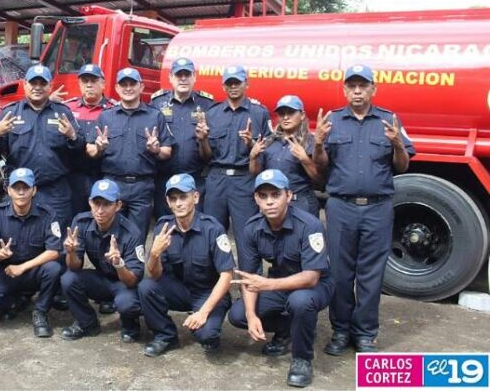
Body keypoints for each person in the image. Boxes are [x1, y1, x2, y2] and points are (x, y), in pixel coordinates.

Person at [313, 64, 415, 355]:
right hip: (341, 208)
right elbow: (320, 167)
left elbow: (402, 165)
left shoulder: (388, 120)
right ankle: (341, 330)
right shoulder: (332, 121)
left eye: (363, 85)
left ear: (374, 89)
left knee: (371, 274)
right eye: (351, 86)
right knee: (340, 273)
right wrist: (318, 144)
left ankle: (366, 333)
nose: (357, 91)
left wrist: (397, 144)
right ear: (345, 90)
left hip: (378, 209)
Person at [228, 169, 334, 388]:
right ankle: (288, 329)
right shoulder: (251, 228)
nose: (269, 202)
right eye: (263, 196)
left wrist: (267, 284)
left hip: (315, 285)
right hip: (278, 284)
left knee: (300, 302)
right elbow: (249, 277)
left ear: (289, 195)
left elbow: (312, 277)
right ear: (256, 198)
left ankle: (302, 359)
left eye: (275, 195)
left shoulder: (309, 225)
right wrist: (251, 315)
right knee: (238, 315)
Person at [138, 174, 235, 357]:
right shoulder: (163, 227)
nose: (179, 203)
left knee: (207, 335)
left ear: (196, 197)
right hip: (179, 289)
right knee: (146, 287)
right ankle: (165, 335)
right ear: (167, 201)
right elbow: (154, 274)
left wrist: (203, 313)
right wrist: (154, 254)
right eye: (173, 199)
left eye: (183, 197)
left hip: (207, 292)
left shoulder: (212, 228)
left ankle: (208, 327)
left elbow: (227, 275)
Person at [0, 64, 82, 229]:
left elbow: (80, 151)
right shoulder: (10, 113)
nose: (37, 88)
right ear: (25, 85)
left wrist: (72, 137)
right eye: (33, 83)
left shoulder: (63, 113)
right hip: (21, 190)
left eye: (42, 83)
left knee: (57, 242)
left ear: (50, 86)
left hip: (55, 191)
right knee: (19, 238)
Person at [87, 68, 174, 236]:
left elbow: (167, 151)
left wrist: (156, 150)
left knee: (137, 239)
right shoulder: (106, 117)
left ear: (141, 87)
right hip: (112, 185)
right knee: (111, 237)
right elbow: (89, 149)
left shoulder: (155, 116)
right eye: (123, 84)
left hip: (142, 186)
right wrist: (98, 148)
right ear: (117, 89)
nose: (128, 88)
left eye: (132, 84)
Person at [0, 168, 63, 337]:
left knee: (54, 269)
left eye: (26, 188)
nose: (21, 192)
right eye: (16, 188)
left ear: (34, 190)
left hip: (35, 271)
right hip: (8, 272)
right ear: (8, 190)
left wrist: (22, 267)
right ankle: (15, 302)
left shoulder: (48, 214)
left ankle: (40, 312)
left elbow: (53, 251)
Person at [60, 179, 143, 342]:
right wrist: (71, 253)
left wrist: (119, 264)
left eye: (106, 204)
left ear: (118, 206)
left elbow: (133, 281)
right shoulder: (81, 222)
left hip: (124, 284)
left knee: (127, 303)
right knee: (68, 279)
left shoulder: (131, 232)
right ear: (89, 202)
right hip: (101, 279)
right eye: (96, 203)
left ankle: (130, 323)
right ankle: (87, 323)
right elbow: (75, 267)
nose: (100, 210)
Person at [200, 65, 271, 256]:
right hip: (217, 180)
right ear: (223, 86)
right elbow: (206, 156)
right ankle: (213, 282)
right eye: (229, 83)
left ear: (246, 83)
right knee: (213, 233)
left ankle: (249, 283)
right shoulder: (212, 113)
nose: (233, 87)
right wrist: (203, 140)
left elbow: (265, 152)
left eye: (237, 82)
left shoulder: (259, 113)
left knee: (247, 234)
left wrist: (250, 143)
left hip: (244, 179)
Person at [149, 57, 215, 220]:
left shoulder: (207, 104)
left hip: (195, 178)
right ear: (171, 78)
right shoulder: (157, 103)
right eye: (179, 75)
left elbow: (211, 147)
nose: (183, 79)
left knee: (195, 227)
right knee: (165, 226)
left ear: (194, 77)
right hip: (164, 178)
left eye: (187, 74)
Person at [249, 95, 321, 216]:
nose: (286, 117)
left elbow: (320, 180)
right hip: (274, 204)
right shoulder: (269, 141)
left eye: (291, 113)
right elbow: (255, 173)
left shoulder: (310, 141)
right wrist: (253, 157)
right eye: (282, 113)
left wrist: (305, 159)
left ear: (302, 115)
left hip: (300, 203)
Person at [63, 64, 115, 216]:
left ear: (103, 83)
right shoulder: (68, 108)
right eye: (85, 81)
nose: (89, 84)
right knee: (72, 222)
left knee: (100, 220)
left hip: (101, 175)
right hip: (72, 176)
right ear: (79, 84)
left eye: (94, 80)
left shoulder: (113, 110)